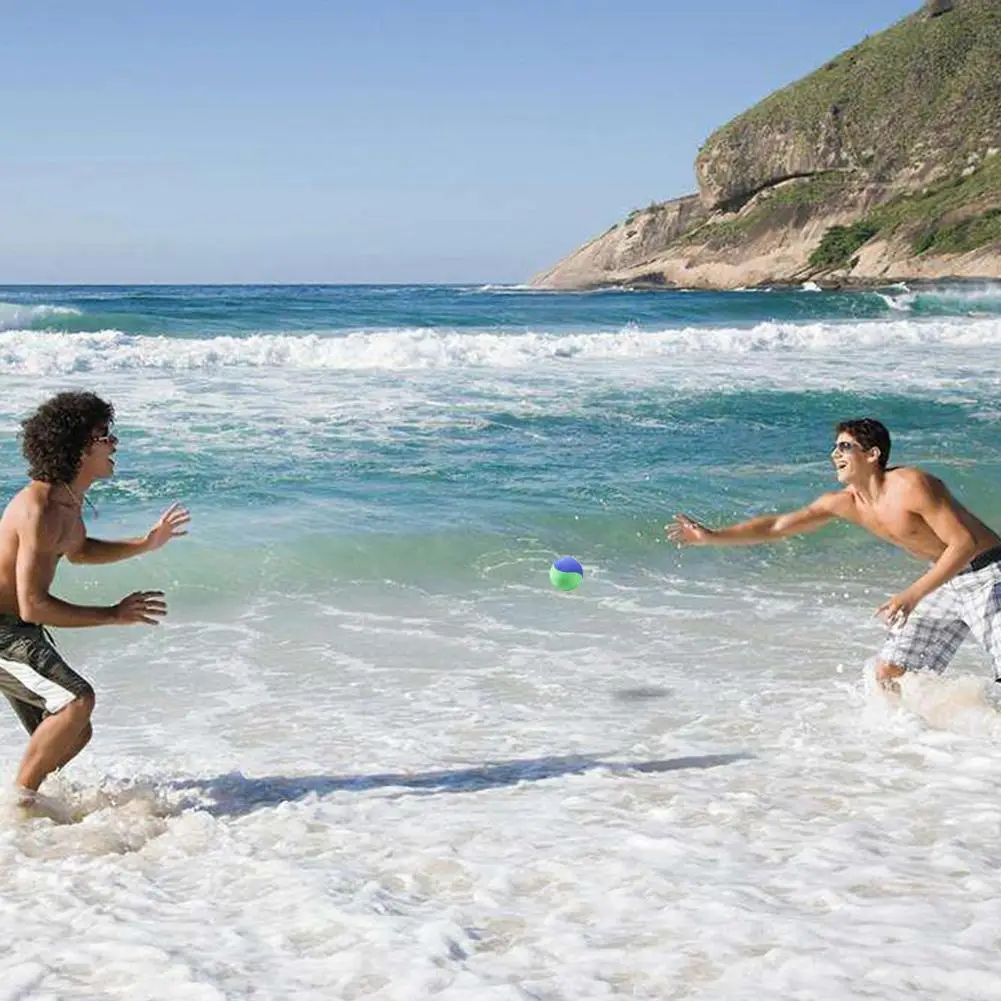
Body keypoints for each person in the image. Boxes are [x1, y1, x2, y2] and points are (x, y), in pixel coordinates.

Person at [666, 418, 1001, 689]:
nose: (834, 454)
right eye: (835, 447)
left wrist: (911, 595)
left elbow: (963, 544)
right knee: (889, 674)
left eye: (845, 446)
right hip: (944, 580)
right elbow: (777, 526)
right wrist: (712, 537)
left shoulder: (911, 485)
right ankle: (913, 748)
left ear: (872, 455)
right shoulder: (843, 503)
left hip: (989, 574)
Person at [0, 391, 189, 802]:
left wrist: (145, 542)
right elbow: (33, 603)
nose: (114, 443)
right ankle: (19, 808)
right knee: (76, 702)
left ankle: (25, 805)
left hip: (18, 629)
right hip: (3, 632)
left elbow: (79, 549)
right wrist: (113, 614)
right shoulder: (41, 508)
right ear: (78, 448)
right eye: (104, 435)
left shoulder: (67, 500)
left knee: (74, 731)